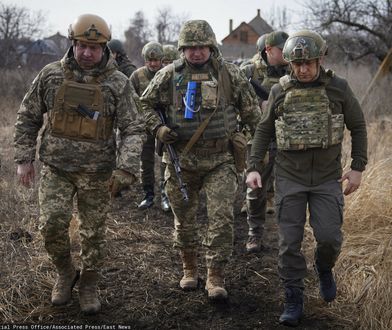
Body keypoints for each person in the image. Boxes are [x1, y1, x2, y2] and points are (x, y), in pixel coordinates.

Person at [14, 14, 144, 315]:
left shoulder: (118, 83)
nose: (87, 53)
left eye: (94, 48)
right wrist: (24, 158)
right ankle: (65, 272)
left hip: (97, 174)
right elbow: (28, 115)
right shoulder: (51, 75)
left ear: (105, 49)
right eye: (82, 46)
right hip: (56, 169)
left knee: (93, 234)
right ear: (73, 44)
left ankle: (88, 283)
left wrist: (125, 168)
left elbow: (134, 128)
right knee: (51, 227)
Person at [246, 30, 368, 326]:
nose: (302, 69)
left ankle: (324, 268)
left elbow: (358, 126)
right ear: (289, 63)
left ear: (319, 60)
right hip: (290, 178)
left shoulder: (338, 88)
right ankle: (293, 296)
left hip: (327, 178)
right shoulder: (280, 91)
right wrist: (252, 166)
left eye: (308, 63)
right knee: (289, 243)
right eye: (297, 64)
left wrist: (357, 167)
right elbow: (264, 130)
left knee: (328, 238)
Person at [141, 20, 261, 301]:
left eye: (201, 47)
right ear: (182, 49)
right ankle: (189, 268)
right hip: (182, 159)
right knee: (184, 220)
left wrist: (248, 143)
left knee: (221, 220)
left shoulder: (230, 74)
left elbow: (254, 113)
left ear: (211, 46)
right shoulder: (169, 75)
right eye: (190, 48)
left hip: (221, 159)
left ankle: (215, 275)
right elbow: (143, 105)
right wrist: (157, 128)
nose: (196, 53)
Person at [241, 31, 289, 253]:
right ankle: (255, 234)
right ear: (268, 50)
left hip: (287, 138)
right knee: (256, 191)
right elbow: (231, 103)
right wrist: (255, 107)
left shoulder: (293, 70)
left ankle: (288, 238)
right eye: (282, 50)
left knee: (288, 190)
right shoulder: (248, 72)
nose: (288, 54)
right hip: (257, 138)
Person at [129, 42, 169, 211]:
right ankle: (148, 195)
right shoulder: (137, 76)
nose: (153, 64)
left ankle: (166, 194)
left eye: (157, 60)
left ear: (162, 60)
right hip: (144, 125)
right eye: (149, 60)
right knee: (146, 161)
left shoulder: (167, 74)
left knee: (166, 161)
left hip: (163, 124)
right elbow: (130, 100)